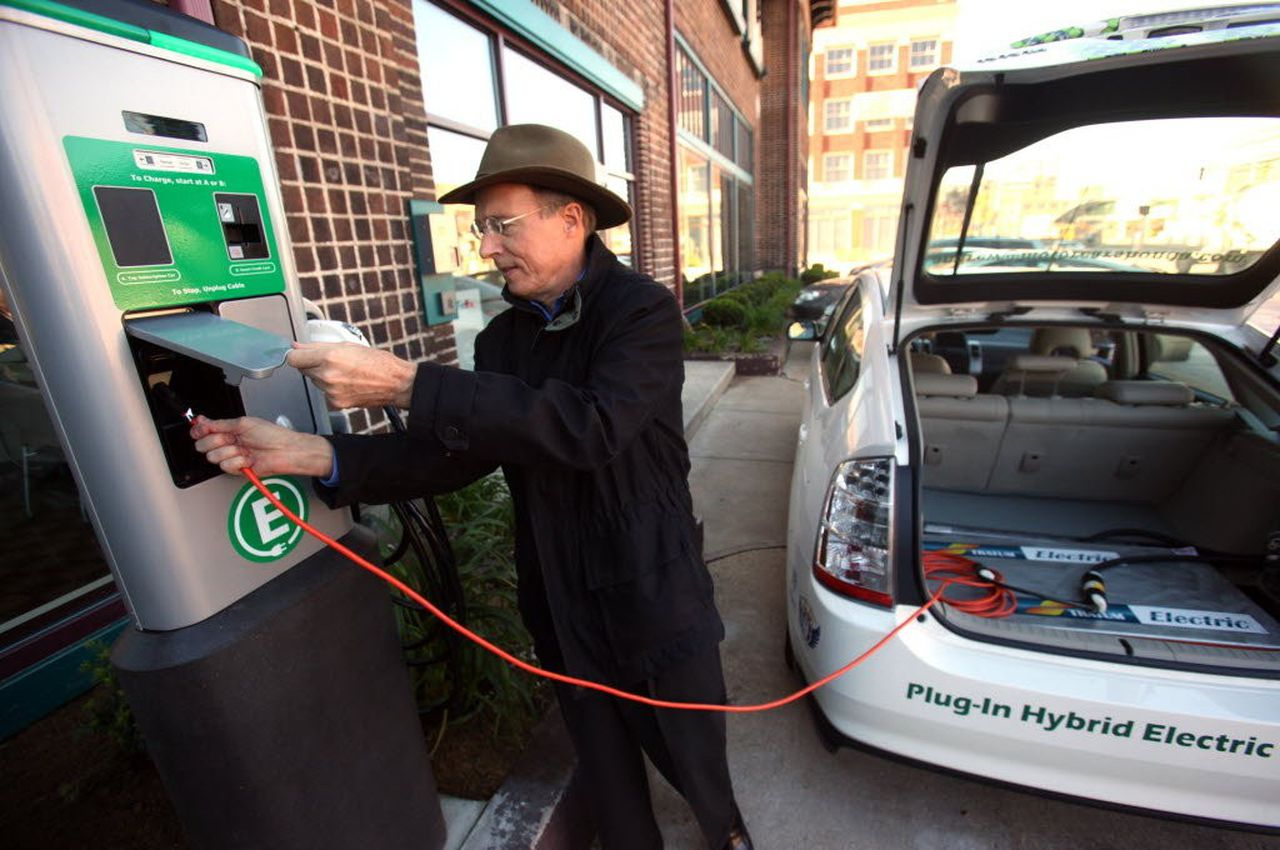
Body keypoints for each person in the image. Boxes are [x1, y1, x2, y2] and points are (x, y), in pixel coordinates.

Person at [191, 124, 751, 850]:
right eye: (482, 228)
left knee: (691, 749)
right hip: (558, 598)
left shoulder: (639, 314)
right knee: (607, 773)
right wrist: (310, 453)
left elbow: (590, 428)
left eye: (502, 225)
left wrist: (404, 381)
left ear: (571, 217)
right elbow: (448, 458)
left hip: (650, 589)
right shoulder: (500, 340)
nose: (486, 247)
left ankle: (728, 833)